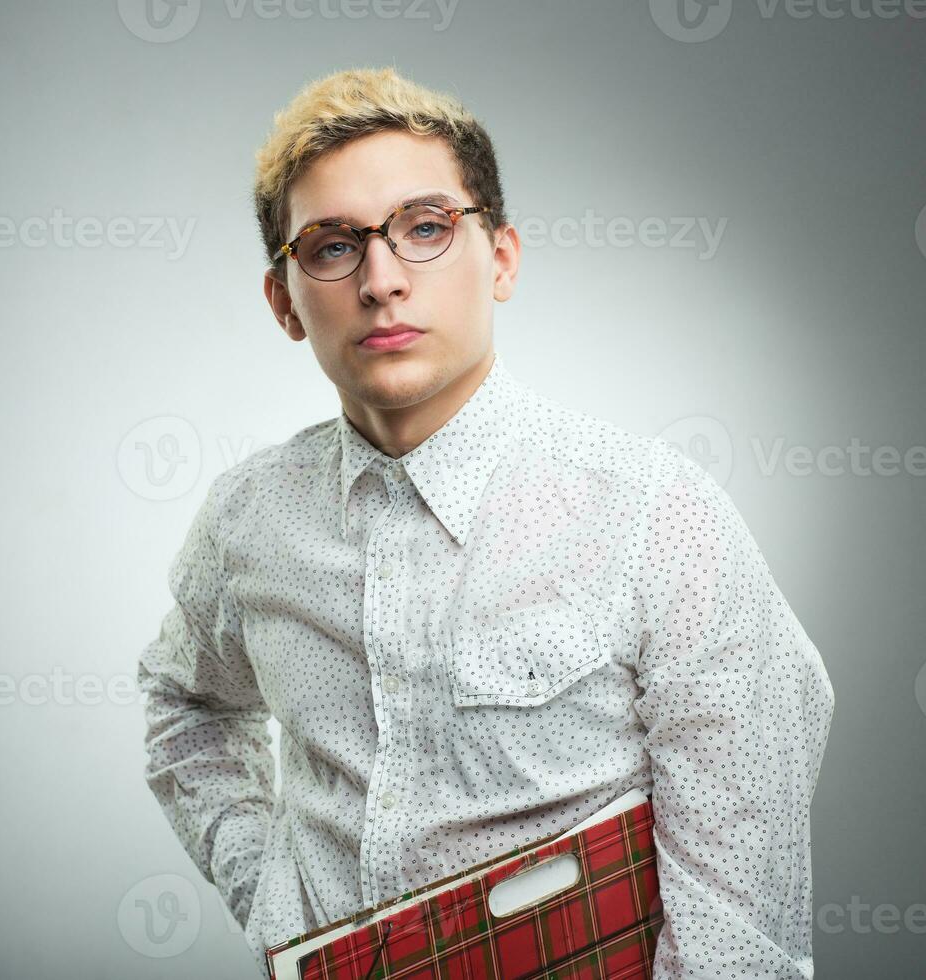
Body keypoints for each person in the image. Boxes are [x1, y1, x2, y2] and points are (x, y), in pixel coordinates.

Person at [137, 65, 835, 978]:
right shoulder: (249, 521)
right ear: (285, 303)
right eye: (332, 247)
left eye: (424, 229)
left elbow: (740, 919)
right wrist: (270, 887)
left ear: (500, 257)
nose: (382, 281)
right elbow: (181, 701)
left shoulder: (654, 515)